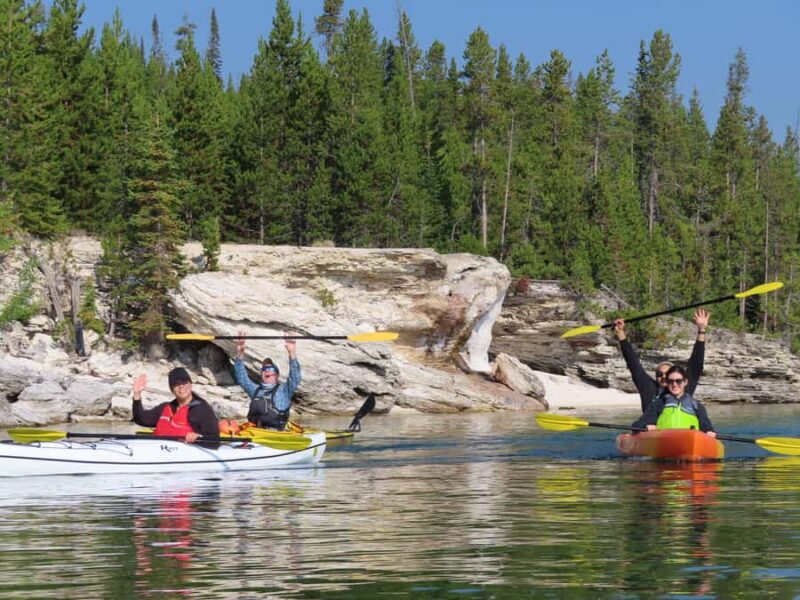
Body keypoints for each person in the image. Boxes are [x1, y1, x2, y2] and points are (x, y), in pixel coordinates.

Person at [613, 308, 710, 413]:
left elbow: (696, 364)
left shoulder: (682, 386)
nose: (663, 377)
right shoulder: (648, 387)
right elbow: (632, 362)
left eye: (667, 374)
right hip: (652, 428)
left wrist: (701, 330)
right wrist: (620, 332)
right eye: (660, 374)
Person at [233, 333, 301, 431]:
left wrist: (292, 352)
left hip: (276, 435)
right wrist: (240, 352)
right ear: (261, 373)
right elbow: (241, 377)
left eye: (271, 369)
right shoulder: (255, 390)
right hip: (255, 433)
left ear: (277, 375)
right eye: (264, 369)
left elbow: (295, 377)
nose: (267, 371)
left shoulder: (284, 390)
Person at [132, 367, 220, 443]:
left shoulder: (203, 410)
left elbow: (214, 441)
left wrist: (198, 437)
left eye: (184, 382)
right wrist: (137, 394)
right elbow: (141, 419)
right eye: (176, 384)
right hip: (161, 451)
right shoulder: (164, 408)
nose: (181, 386)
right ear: (172, 390)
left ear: (190, 384)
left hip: (188, 455)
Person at [630, 365, 717, 436]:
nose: (674, 384)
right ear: (667, 383)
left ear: (685, 382)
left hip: (690, 441)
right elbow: (637, 425)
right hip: (664, 442)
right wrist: (646, 426)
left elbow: (707, 427)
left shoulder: (697, 406)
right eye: (670, 381)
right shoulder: (658, 404)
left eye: (678, 381)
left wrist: (709, 432)